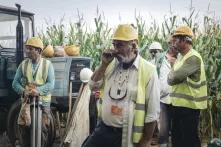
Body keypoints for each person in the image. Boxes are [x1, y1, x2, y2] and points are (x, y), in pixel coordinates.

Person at [82, 24, 160, 147]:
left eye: (120, 45)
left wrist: (145, 141)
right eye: (114, 44)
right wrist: (103, 65)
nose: (115, 50)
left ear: (133, 45)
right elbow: (93, 86)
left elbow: (153, 112)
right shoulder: (110, 64)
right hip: (103, 129)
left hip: (126, 135)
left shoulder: (148, 70)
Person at [167, 26, 208, 147]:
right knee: (177, 140)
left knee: (189, 141)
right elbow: (174, 76)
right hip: (178, 106)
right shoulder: (181, 57)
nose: (173, 43)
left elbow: (173, 78)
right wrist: (173, 69)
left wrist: (172, 70)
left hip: (189, 107)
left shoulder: (193, 57)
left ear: (184, 40)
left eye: (176, 40)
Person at [12, 37, 55, 147]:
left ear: (39, 51)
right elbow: (15, 83)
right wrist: (23, 91)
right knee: (24, 127)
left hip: (43, 103)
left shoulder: (47, 65)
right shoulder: (24, 64)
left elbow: (51, 84)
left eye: (30, 49)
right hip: (27, 102)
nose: (27, 51)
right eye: (27, 48)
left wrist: (38, 91)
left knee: (43, 128)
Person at [157, 37, 178, 147]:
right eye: (171, 43)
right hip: (163, 100)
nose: (173, 45)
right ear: (168, 44)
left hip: (177, 100)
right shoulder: (160, 59)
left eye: (176, 42)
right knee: (163, 131)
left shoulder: (181, 58)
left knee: (176, 130)